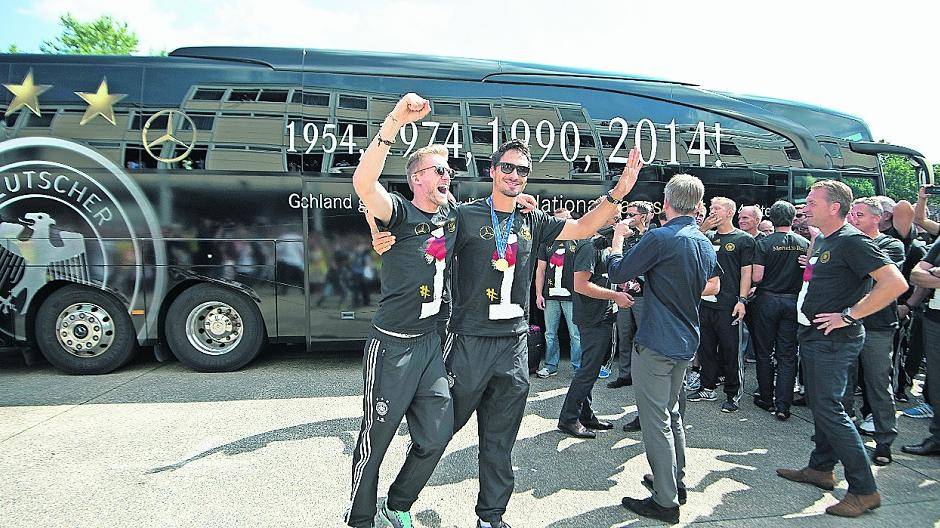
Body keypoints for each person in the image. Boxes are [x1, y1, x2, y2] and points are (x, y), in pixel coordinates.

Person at [444, 142, 644, 528]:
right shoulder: (465, 216)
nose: (514, 175)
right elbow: (428, 248)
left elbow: (585, 226)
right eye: (507, 167)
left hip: (514, 344)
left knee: (500, 441)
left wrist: (619, 191)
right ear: (492, 171)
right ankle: (399, 501)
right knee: (437, 432)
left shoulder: (532, 221)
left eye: (521, 170)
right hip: (469, 340)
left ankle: (491, 517)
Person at [345, 93, 455, 528]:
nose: (448, 176)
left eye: (449, 169)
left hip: (431, 346)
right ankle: (360, 519)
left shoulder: (453, 217)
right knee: (376, 440)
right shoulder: (400, 213)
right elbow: (363, 185)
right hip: (393, 347)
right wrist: (395, 120)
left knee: (436, 434)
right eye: (439, 170)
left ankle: (398, 503)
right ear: (417, 179)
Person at [777, 180, 907, 518]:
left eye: (812, 201)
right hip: (816, 336)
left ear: (835, 207)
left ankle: (864, 490)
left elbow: (895, 282)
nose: (805, 206)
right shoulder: (825, 239)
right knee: (825, 409)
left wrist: (849, 316)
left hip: (833, 341)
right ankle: (821, 468)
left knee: (831, 411)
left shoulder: (852, 241)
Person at [606, 173, 719, 524]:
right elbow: (710, 283)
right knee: (671, 415)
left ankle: (666, 501)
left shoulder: (661, 236)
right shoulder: (702, 240)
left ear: (666, 203)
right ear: (698, 205)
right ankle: (675, 481)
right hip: (685, 339)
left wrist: (617, 241)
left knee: (657, 422)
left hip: (657, 340)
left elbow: (618, 271)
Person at [557, 202, 631, 438]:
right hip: (592, 317)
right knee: (587, 371)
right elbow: (581, 285)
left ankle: (585, 415)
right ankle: (568, 418)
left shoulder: (603, 245)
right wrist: (615, 295)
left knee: (590, 368)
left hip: (603, 315)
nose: (619, 223)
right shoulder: (589, 246)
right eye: (615, 218)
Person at [842, 197, 905, 466]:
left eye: (860, 214)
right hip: (847, 323)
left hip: (877, 326)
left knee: (878, 383)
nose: (853, 218)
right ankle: (843, 434)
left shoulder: (891, 245)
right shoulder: (845, 242)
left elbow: (874, 277)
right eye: (852, 214)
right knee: (843, 382)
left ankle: (883, 441)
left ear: (876, 219)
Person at [689, 196, 755, 413]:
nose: (712, 211)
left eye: (717, 208)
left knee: (730, 350)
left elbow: (747, 273)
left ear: (730, 212)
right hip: (705, 303)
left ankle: (733, 393)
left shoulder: (743, 240)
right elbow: (687, 244)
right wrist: (703, 227)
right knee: (705, 347)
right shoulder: (706, 236)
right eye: (711, 208)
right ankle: (707, 387)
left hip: (729, 304)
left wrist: (742, 300)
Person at [750, 200, 808, 420]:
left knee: (764, 351)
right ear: (793, 219)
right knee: (787, 354)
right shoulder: (804, 242)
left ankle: (766, 397)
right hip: (793, 301)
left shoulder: (764, 243)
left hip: (767, 300)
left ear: (771, 219)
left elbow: (757, 277)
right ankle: (784, 405)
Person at [901, 218, 940, 457]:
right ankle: (937, 436)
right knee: (936, 382)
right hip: (935, 318)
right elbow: (916, 276)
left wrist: (935, 275)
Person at [609, 200, 655, 389]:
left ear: (643, 216)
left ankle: (645, 376)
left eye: (632, 215)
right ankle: (625, 374)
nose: (627, 218)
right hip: (622, 294)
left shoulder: (653, 235)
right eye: (627, 214)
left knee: (644, 337)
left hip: (644, 296)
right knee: (624, 334)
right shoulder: (625, 236)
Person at [534, 208, 581, 378]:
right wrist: (539, 294)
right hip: (551, 295)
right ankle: (550, 365)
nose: (564, 222)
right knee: (550, 333)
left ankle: (578, 368)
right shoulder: (546, 243)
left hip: (572, 296)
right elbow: (540, 270)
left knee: (575, 334)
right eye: (560, 220)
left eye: (567, 219)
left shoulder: (577, 240)